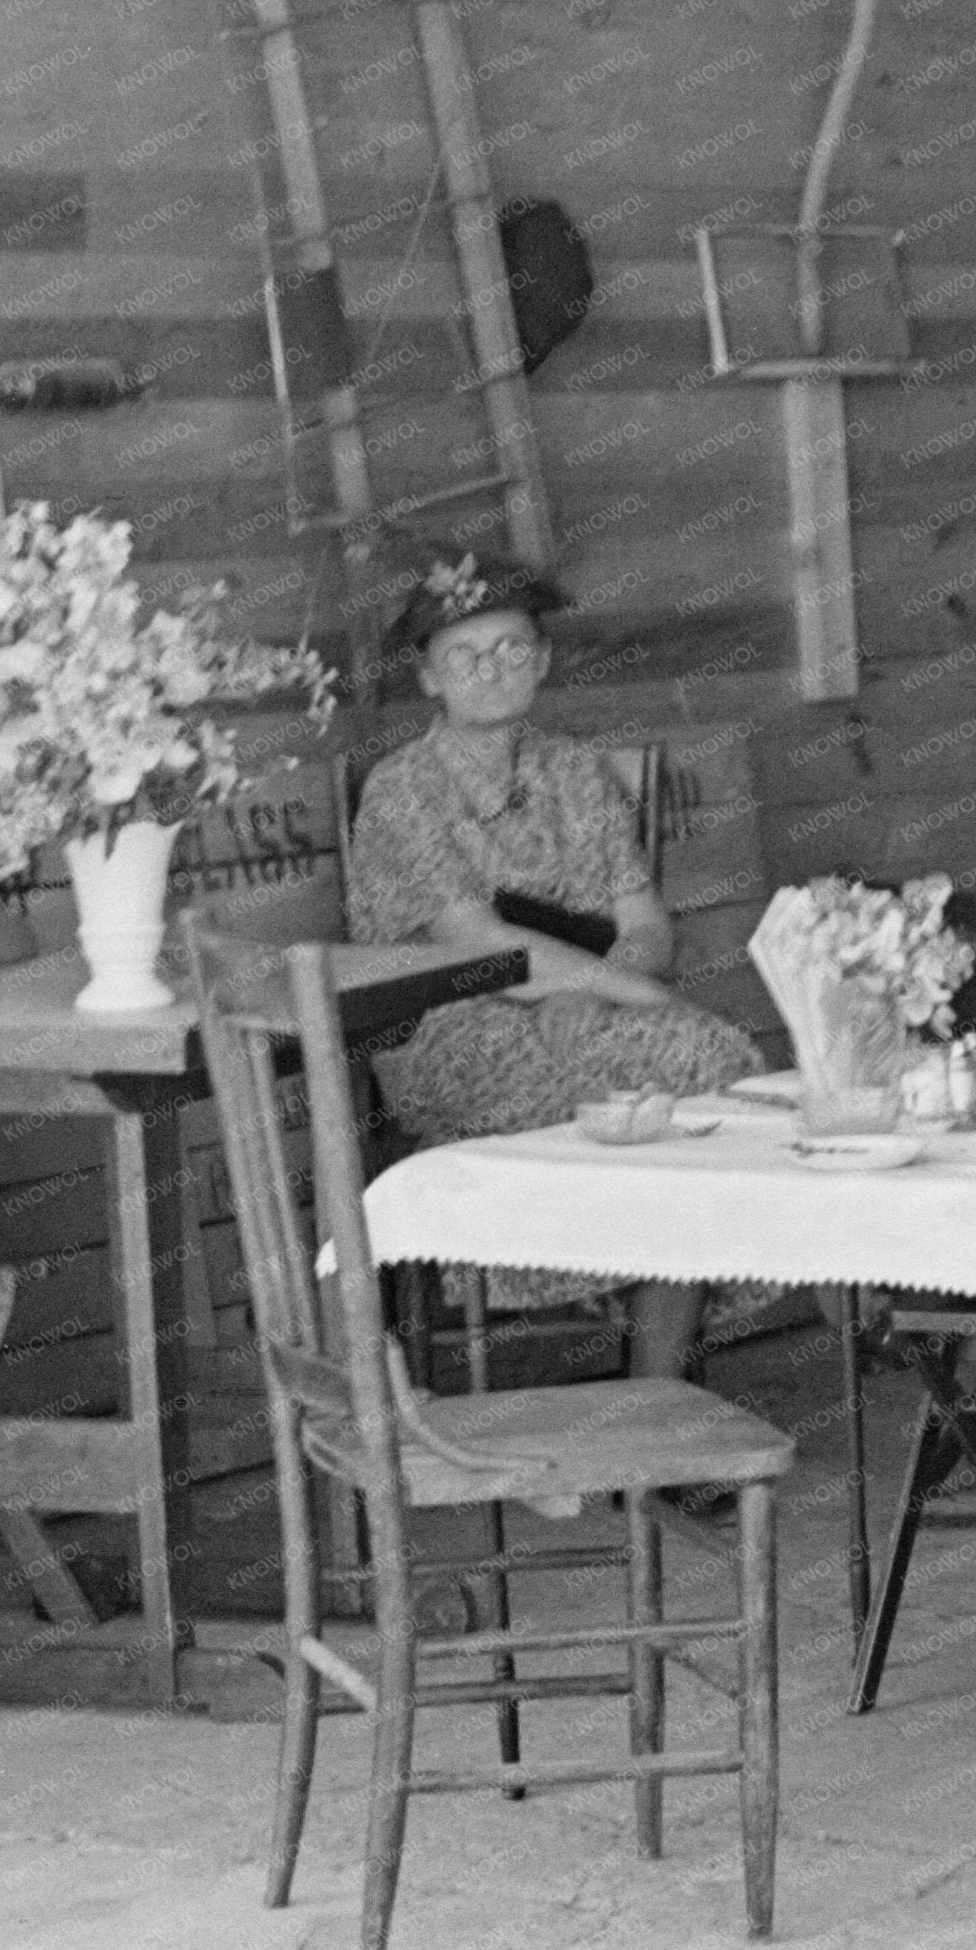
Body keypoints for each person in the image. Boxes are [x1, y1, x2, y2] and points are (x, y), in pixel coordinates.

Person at [346, 552, 760, 1377]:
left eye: (509, 649)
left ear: (541, 660)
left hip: (587, 1016)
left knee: (692, 1087)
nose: (489, 671)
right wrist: (624, 992)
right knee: (704, 1060)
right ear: (428, 678)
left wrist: (599, 993)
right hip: (445, 1032)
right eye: (463, 656)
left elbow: (646, 925)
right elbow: (480, 948)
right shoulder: (403, 792)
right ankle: (642, 1393)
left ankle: (654, 1400)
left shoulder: (574, 772)